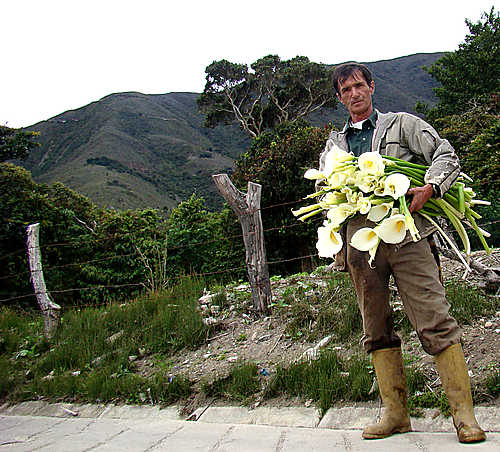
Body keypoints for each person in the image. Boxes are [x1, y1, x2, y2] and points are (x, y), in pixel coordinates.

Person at [317, 62, 486, 444]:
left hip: (408, 235)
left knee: (434, 319)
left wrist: (431, 188)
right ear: (340, 98)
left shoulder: (403, 125)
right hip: (362, 247)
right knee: (374, 327)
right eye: (346, 91)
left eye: (359, 86)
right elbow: (328, 190)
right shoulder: (335, 146)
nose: (355, 94)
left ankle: (464, 417)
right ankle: (395, 414)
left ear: (371, 87)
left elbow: (446, 155)